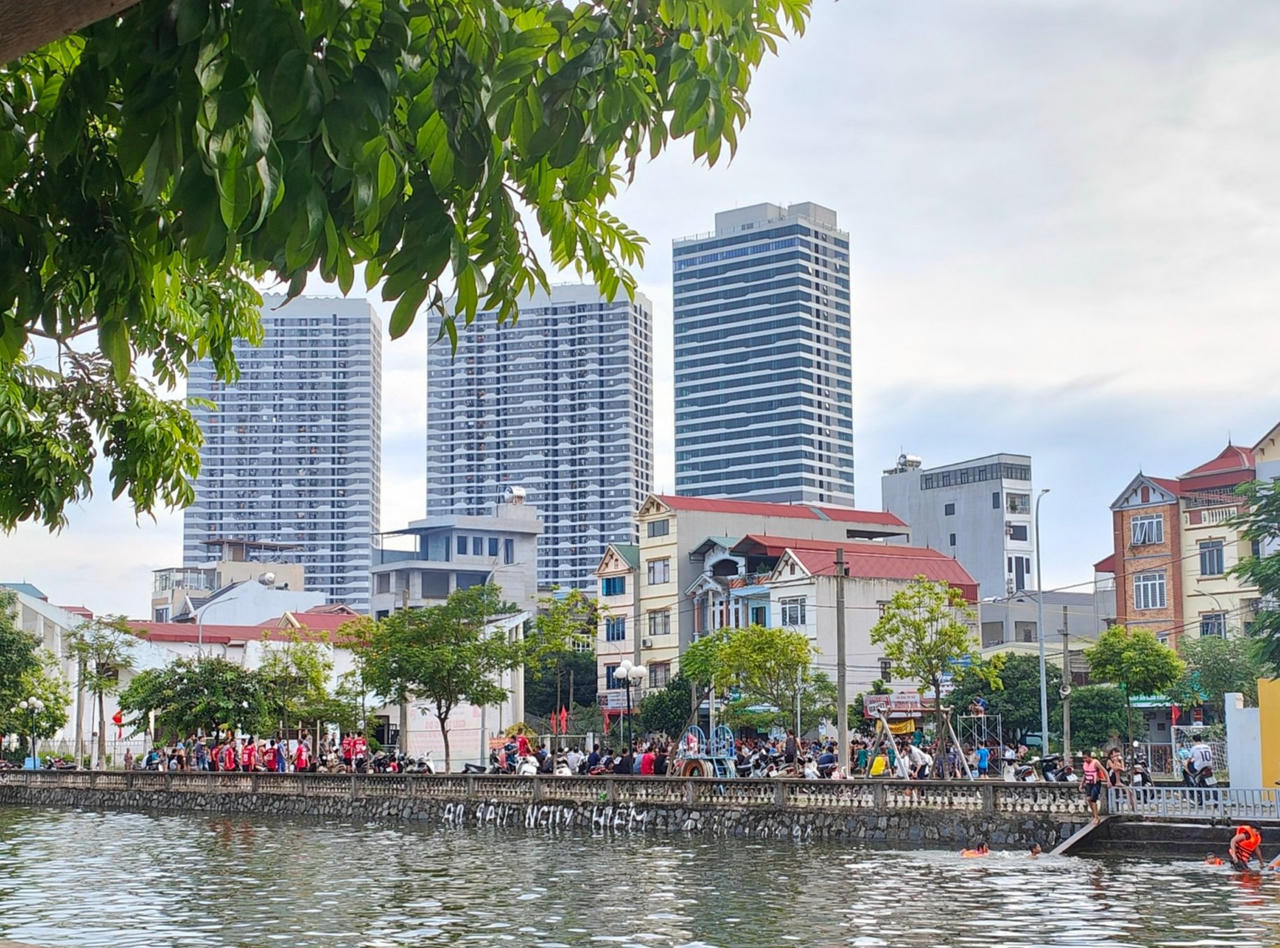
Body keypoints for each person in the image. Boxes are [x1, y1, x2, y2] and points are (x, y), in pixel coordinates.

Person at [1080, 750, 1105, 824]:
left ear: (1090, 757)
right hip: (1089, 783)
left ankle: (1096, 817)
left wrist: (1108, 781)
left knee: (1093, 800)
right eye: (1083, 758)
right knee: (1088, 799)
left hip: (1096, 783)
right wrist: (1081, 784)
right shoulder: (1085, 764)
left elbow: (1104, 771)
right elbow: (1085, 774)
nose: (1085, 760)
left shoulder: (1095, 763)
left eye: (1086, 758)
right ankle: (1095, 815)